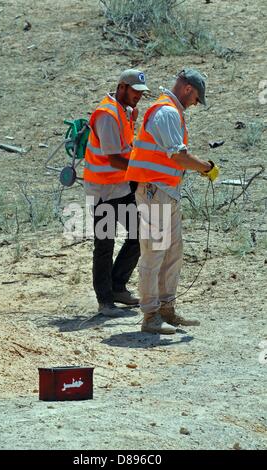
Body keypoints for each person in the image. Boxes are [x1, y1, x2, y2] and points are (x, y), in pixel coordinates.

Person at [125, 68, 219, 334]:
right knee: (154, 253)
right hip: (156, 192)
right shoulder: (166, 112)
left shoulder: (170, 111)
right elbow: (177, 156)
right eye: (196, 98)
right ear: (188, 90)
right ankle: (151, 314)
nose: (194, 104)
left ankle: (166, 309)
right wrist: (205, 167)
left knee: (172, 253)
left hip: (166, 192)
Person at [83, 69, 149, 317]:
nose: (139, 97)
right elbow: (113, 158)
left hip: (119, 186)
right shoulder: (108, 115)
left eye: (142, 93)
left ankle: (117, 287)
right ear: (122, 87)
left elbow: (126, 148)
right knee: (104, 244)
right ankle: (105, 300)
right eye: (135, 92)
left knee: (140, 233)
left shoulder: (124, 112)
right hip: (102, 189)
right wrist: (143, 171)